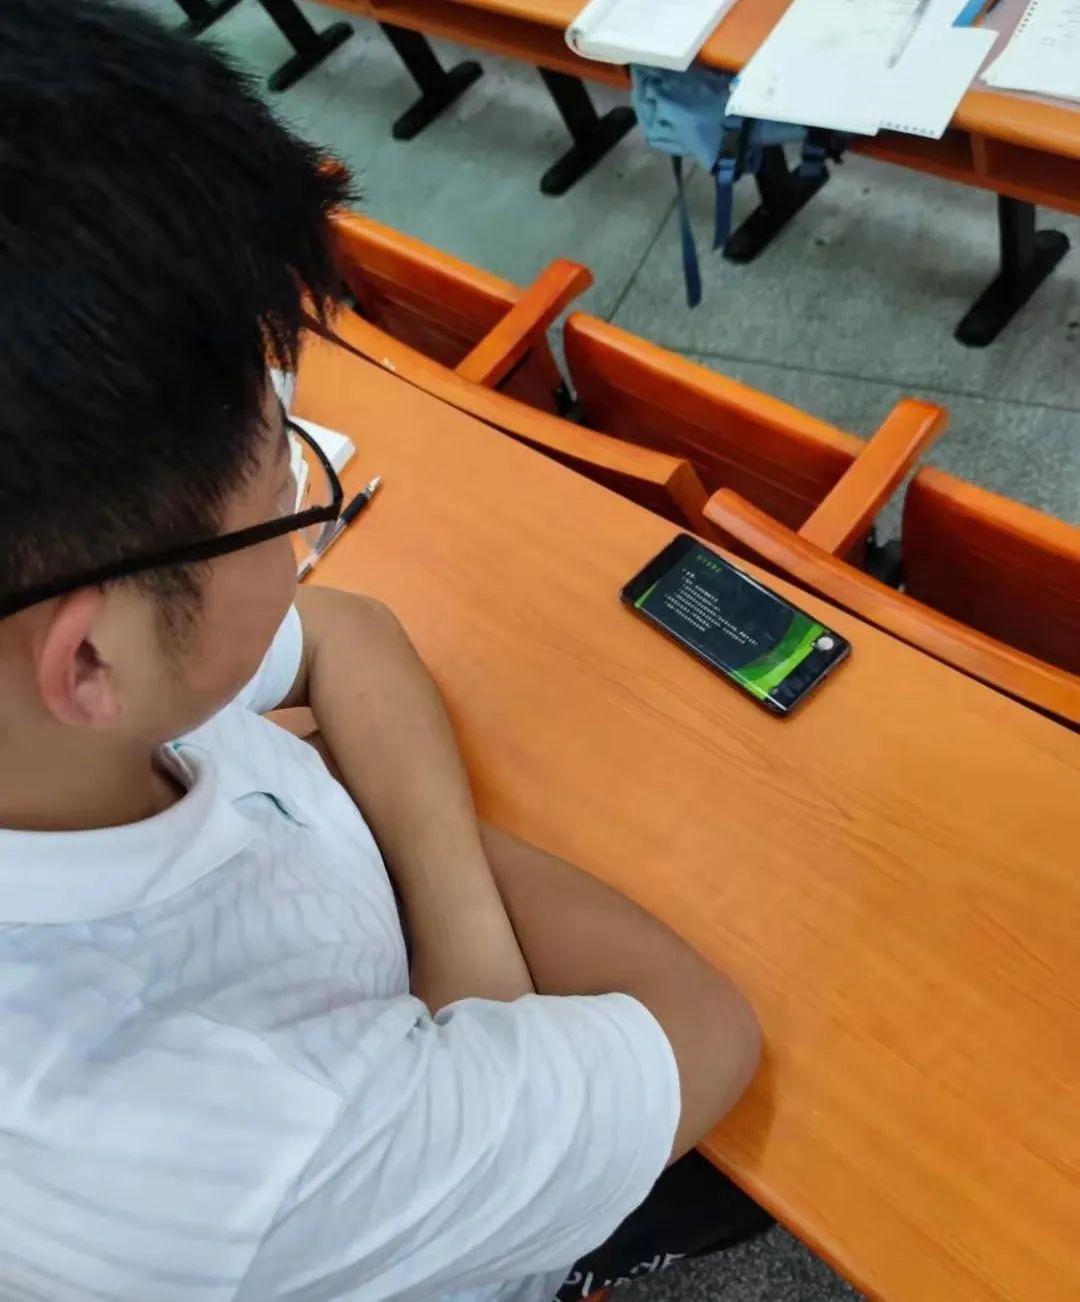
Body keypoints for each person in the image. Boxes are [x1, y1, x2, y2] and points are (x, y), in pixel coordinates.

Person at [0, 1, 770, 1297]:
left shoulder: (54, 721)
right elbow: (705, 1030)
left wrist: (463, 960)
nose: (312, 520)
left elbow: (346, 632)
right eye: (291, 493)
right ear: (90, 665)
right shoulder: (223, 1156)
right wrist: (396, 835)